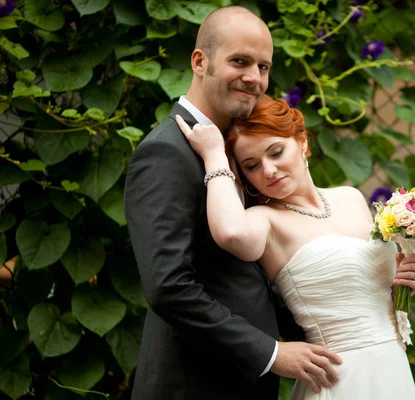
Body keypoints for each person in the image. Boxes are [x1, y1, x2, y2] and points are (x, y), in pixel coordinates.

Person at [124, 6, 345, 400]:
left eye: (263, 66)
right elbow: (168, 286)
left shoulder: (242, 151)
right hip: (194, 384)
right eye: (239, 61)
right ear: (200, 61)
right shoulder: (165, 153)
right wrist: (271, 353)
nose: (254, 78)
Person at [174, 94, 415, 399]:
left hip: (392, 367)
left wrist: (407, 281)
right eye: (252, 165)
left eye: (276, 152)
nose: (268, 170)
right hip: (337, 375)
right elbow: (229, 233)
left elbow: (369, 291)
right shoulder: (264, 221)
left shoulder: (351, 197)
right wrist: (215, 156)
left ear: (303, 142)